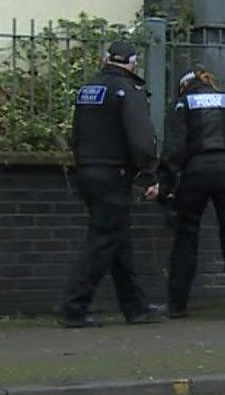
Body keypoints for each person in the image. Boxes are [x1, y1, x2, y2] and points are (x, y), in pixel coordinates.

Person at [147, 67, 225, 320]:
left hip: (194, 174)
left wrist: (165, 187)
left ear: (184, 86)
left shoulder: (181, 105)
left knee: (186, 237)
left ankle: (177, 306)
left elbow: (173, 151)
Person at [60, 42, 165, 328]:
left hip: (88, 172)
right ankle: (74, 308)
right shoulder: (128, 92)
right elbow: (142, 139)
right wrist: (149, 173)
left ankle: (136, 307)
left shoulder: (88, 90)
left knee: (118, 240)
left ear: (105, 59)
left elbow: (76, 134)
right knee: (102, 240)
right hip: (113, 174)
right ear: (132, 64)